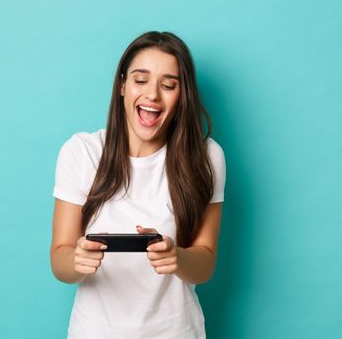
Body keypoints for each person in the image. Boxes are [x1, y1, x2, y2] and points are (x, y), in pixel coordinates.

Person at [50, 31, 226, 339]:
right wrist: (78, 259)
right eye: (140, 80)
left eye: (168, 85)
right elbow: (59, 259)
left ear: (182, 95)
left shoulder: (206, 157)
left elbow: (206, 261)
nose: (153, 95)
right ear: (122, 85)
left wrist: (178, 258)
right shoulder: (82, 152)